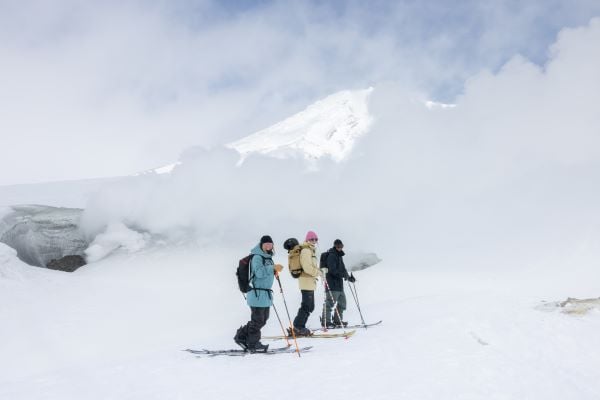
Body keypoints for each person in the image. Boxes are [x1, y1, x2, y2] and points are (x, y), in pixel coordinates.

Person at [234, 235, 283, 352]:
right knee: (258, 320)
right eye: (266, 243)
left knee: (264, 319)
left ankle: (241, 336)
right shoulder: (257, 257)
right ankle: (253, 343)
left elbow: (265, 272)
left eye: (270, 244)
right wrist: (272, 268)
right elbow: (260, 273)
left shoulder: (268, 258)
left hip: (264, 294)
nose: (268, 245)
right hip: (256, 293)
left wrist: (274, 271)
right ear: (261, 245)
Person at [289, 230, 322, 336]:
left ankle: (299, 326)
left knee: (309, 306)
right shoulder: (306, 251)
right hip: (306, 281)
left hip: (309, 282)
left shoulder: (310, 250)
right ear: (307, 240)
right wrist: (318, 272)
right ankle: (298, 327)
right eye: (311, 239)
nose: (314, 241)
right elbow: (307, 267)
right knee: (307, 306)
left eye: (315, 239)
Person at [323, 239, 355, 328]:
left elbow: (343, 269)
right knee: (330, 303)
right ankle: (326, 322)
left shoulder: (339, 256)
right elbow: (332, 270)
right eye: (338, 246)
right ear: (335, 246)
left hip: (339, 285)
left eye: (341, 246)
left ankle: (337, 321)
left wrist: (349, 278)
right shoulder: (332, 255)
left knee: (342, 303)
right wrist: (342, 275)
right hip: (332, 284)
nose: (340, 248)